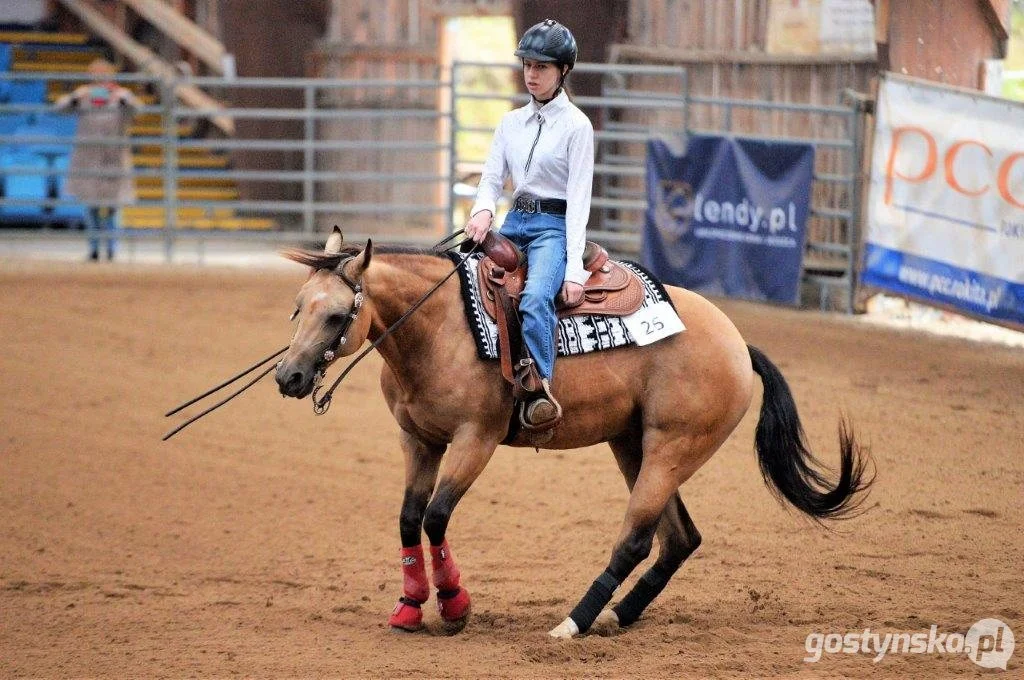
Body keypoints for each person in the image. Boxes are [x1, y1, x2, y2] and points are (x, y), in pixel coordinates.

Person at [464, 19, 594, 429]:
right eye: (527, 65)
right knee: (457, 278)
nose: (531, 74)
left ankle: (540, 393)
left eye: (542, 67)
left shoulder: (577, 127)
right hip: (513, 220)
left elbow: (579, 203)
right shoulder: (509, 123)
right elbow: (490, 178)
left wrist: (573, 271)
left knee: (537, 298)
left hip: (552, 228)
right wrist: (482, 211)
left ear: (563, 71)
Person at [55, 58, 142, 261]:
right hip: (88, 159)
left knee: (112, 207)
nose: (100, 79)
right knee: (91, 206)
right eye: (96, 74)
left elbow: (138, 110)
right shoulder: (83, 95)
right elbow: (60, 108)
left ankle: (111, 249)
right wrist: (76, 98)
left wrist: (123, 100)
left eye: (104, 74)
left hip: (115, 159)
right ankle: (93, 249)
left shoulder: (122, 95)